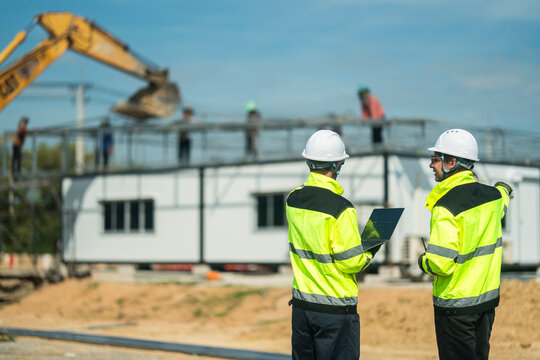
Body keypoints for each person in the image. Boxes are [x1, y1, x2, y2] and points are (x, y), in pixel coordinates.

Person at [417, 129, 513, 360]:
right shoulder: (494, 198)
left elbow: (441, 264)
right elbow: (504, 196)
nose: (431, 165)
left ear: (452, 162)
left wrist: (423, 262)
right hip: (486, 303)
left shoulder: (444, 207)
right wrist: (505, 188)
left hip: (455, 307)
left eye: (435, 159)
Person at [286, 129, 381, 360]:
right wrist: (370, 249)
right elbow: (351, 262)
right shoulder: (342, 208)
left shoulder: (293, 199)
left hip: (302, 307)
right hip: (335, 310)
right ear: (338, 164)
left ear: (308, 160)